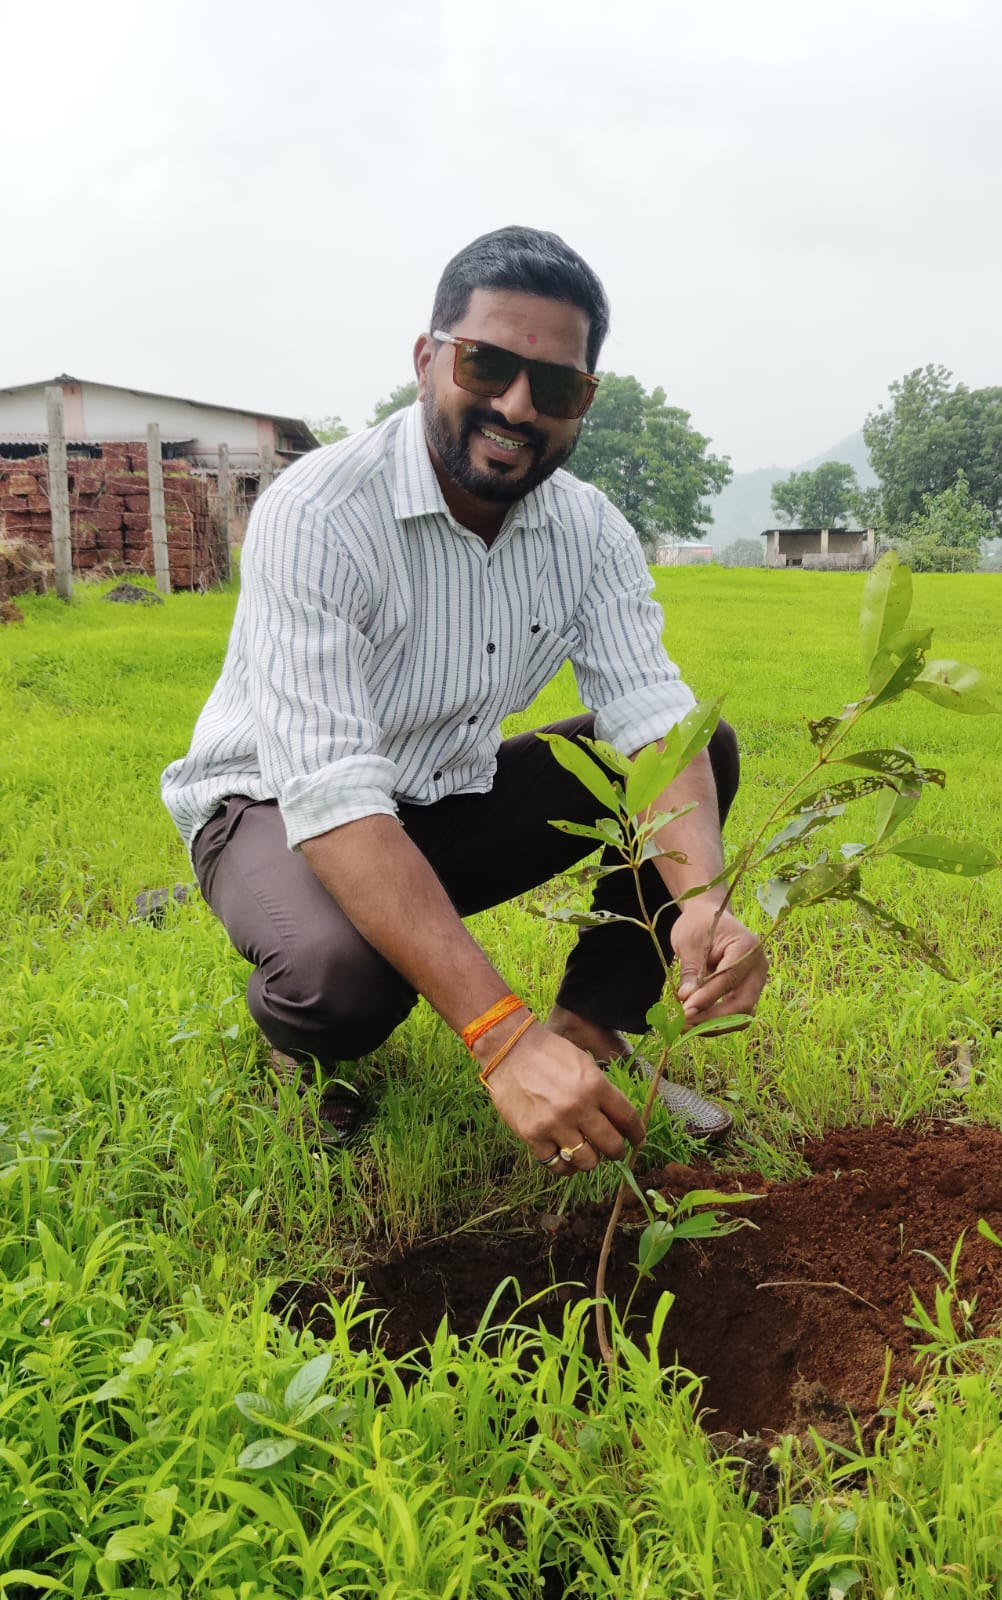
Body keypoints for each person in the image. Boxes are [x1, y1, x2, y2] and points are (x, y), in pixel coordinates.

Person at [162, 225, 768, 1175]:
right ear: (427, 358)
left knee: (704, 746)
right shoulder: (320, 513)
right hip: (275, 807)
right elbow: (332, 794)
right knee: (343, 980)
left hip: (445, 795)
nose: (517, 406)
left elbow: (652, 718)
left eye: (556, 385)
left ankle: (593, 1029)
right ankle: (297, 1043)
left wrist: (701, 901)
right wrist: (498, 1033)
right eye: (487, 364)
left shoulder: (589, 530)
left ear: (584, 401)